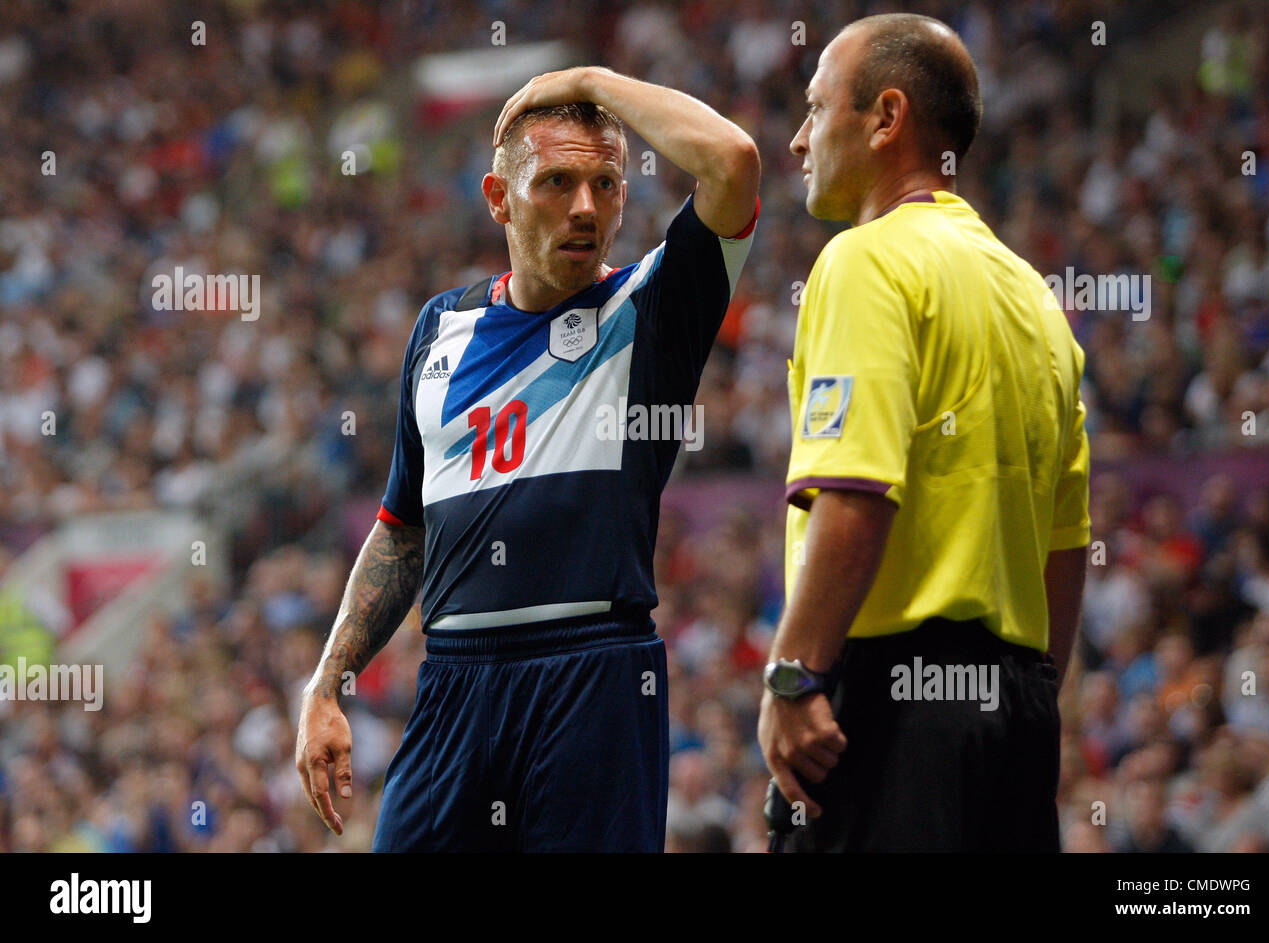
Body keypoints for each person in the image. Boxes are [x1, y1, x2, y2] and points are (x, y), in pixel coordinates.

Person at [295, 66, 759, 852]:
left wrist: (588, 80)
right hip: (453, 684)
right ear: (498, 198)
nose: (586, 207)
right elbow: (401, 528)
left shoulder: (650, 309)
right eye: (556, 181)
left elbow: (733, 160)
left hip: (595, 678)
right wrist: (327, 679)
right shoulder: (440, 328)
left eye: (605, 184)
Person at [758, 13, 1090, 852]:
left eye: (814, 108)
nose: (798, 141)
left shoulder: (865, 261)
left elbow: (857, 495)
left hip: (893, 702)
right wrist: (1032, 700)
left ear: (885, 116)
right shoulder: (1035, 300)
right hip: (1017, 707)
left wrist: (794, 676)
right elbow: (1066, 545)